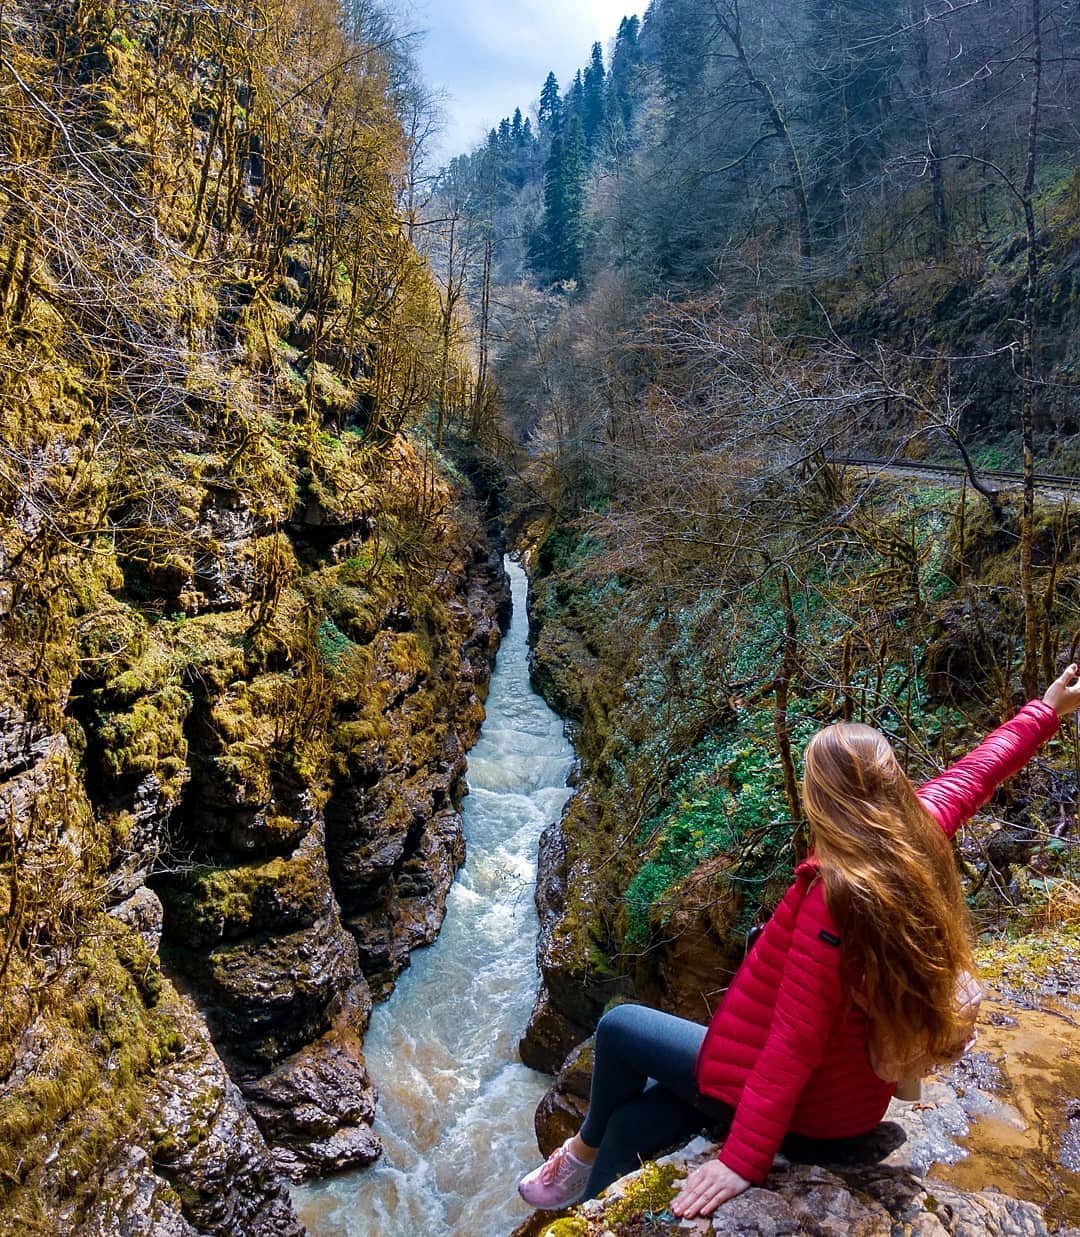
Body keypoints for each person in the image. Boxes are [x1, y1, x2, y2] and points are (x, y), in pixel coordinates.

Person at [518, 666, 1080, 1218]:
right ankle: (590, 1201)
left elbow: (794, 1045)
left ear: (823, 800)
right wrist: (1046, 711)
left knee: (619, 1028)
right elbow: (976, 773)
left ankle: (579, 1157)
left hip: (815, 1112)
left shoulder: (833, 899)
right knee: (634, 1124)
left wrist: (742, 1161)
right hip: (853, 1096)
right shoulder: (914, 836)